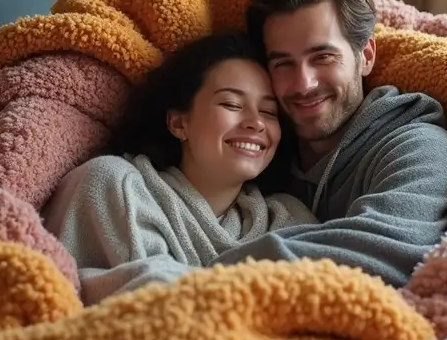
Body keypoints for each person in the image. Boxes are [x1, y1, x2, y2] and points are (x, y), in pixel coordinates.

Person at [211, 0, 447, 287]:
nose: (304, 84)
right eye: (283, 64)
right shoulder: (257, 147)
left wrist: (202, 280)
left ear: (366, 56)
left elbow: (383, 252)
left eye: (323, 57)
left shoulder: (421, 148)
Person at [44, 32, 316, 305]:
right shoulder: (114, 183)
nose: (256, 123)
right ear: (178, 123)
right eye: (231, 104)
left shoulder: (286, 219)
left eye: (269, 112)